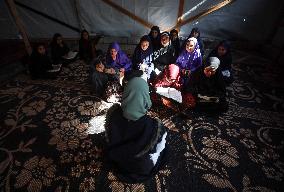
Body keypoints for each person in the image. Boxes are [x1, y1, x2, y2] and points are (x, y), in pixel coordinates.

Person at [105, 77, 168, 182]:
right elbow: (158, 150)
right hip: (140, 168)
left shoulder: (112, 114)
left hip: (119, 161)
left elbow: (109, 139)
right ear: (146, 97)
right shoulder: (154, 127)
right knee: (164, 150)